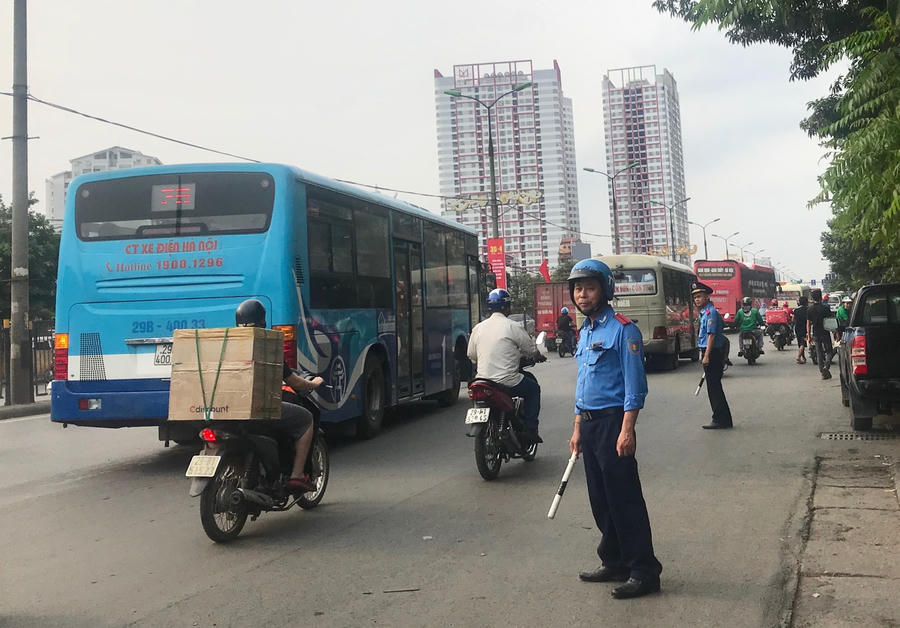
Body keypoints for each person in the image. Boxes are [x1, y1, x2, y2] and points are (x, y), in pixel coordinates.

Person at [566, 259, 662, 600]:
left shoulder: (624, 330)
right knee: (601, 500)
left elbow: (635, 386)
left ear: (604, 290)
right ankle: (615, 560)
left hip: (613, 424)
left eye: (590, 287)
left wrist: (627, 430)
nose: (583, 294)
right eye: (578, 288)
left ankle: (644, 570)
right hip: (590, 425)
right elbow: (583, 384)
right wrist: (578, 427)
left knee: (624, 500)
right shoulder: (586, 330)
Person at [234, 299, 324, 493]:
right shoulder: (266, 345)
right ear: (262, 322)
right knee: (306, 418)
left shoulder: (227, 343)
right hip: (257, 409)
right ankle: (297, 475)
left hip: (227, 410)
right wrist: (314, 383)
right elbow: (294, 382)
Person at [467, 288, 546, 443]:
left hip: (482, 380)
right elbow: (530, 349)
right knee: (533, 390)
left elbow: (471, 355)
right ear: (507, 306)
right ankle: (530, 429)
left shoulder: (478, 328)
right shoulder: (512, 326)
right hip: (507, 381)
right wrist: (538, 356)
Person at [693, 281, 733, 429]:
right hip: (709, 351)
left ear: (707, 297)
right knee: (713, 387)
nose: (697, 299)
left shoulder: (711, 313)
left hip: (713, 352)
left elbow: (711, 336)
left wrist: (706, 356)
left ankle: (721, 419)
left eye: (700, 296)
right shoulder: (705, 313)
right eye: (695, 297)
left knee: (714, 387)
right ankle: (722, 418)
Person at [806, 288, 834, 380]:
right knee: (829, 351)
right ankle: (826, 366)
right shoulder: (826, 308)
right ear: (821, 297)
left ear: (813, 298)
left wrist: (809, 336)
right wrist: (835, 332)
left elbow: (808, 324)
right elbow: (831, 322)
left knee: (819, 353)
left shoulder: (810, 309)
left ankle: (822, 372)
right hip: (825, 332)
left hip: (816, 333)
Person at [793, 296, 809, 364]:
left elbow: (793, 319)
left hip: (797, 328)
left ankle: (803, 358)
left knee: (800, 343)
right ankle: (798, 357)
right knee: (803, 343)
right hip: (804, 328)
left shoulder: (796, 310)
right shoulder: (808, 309)